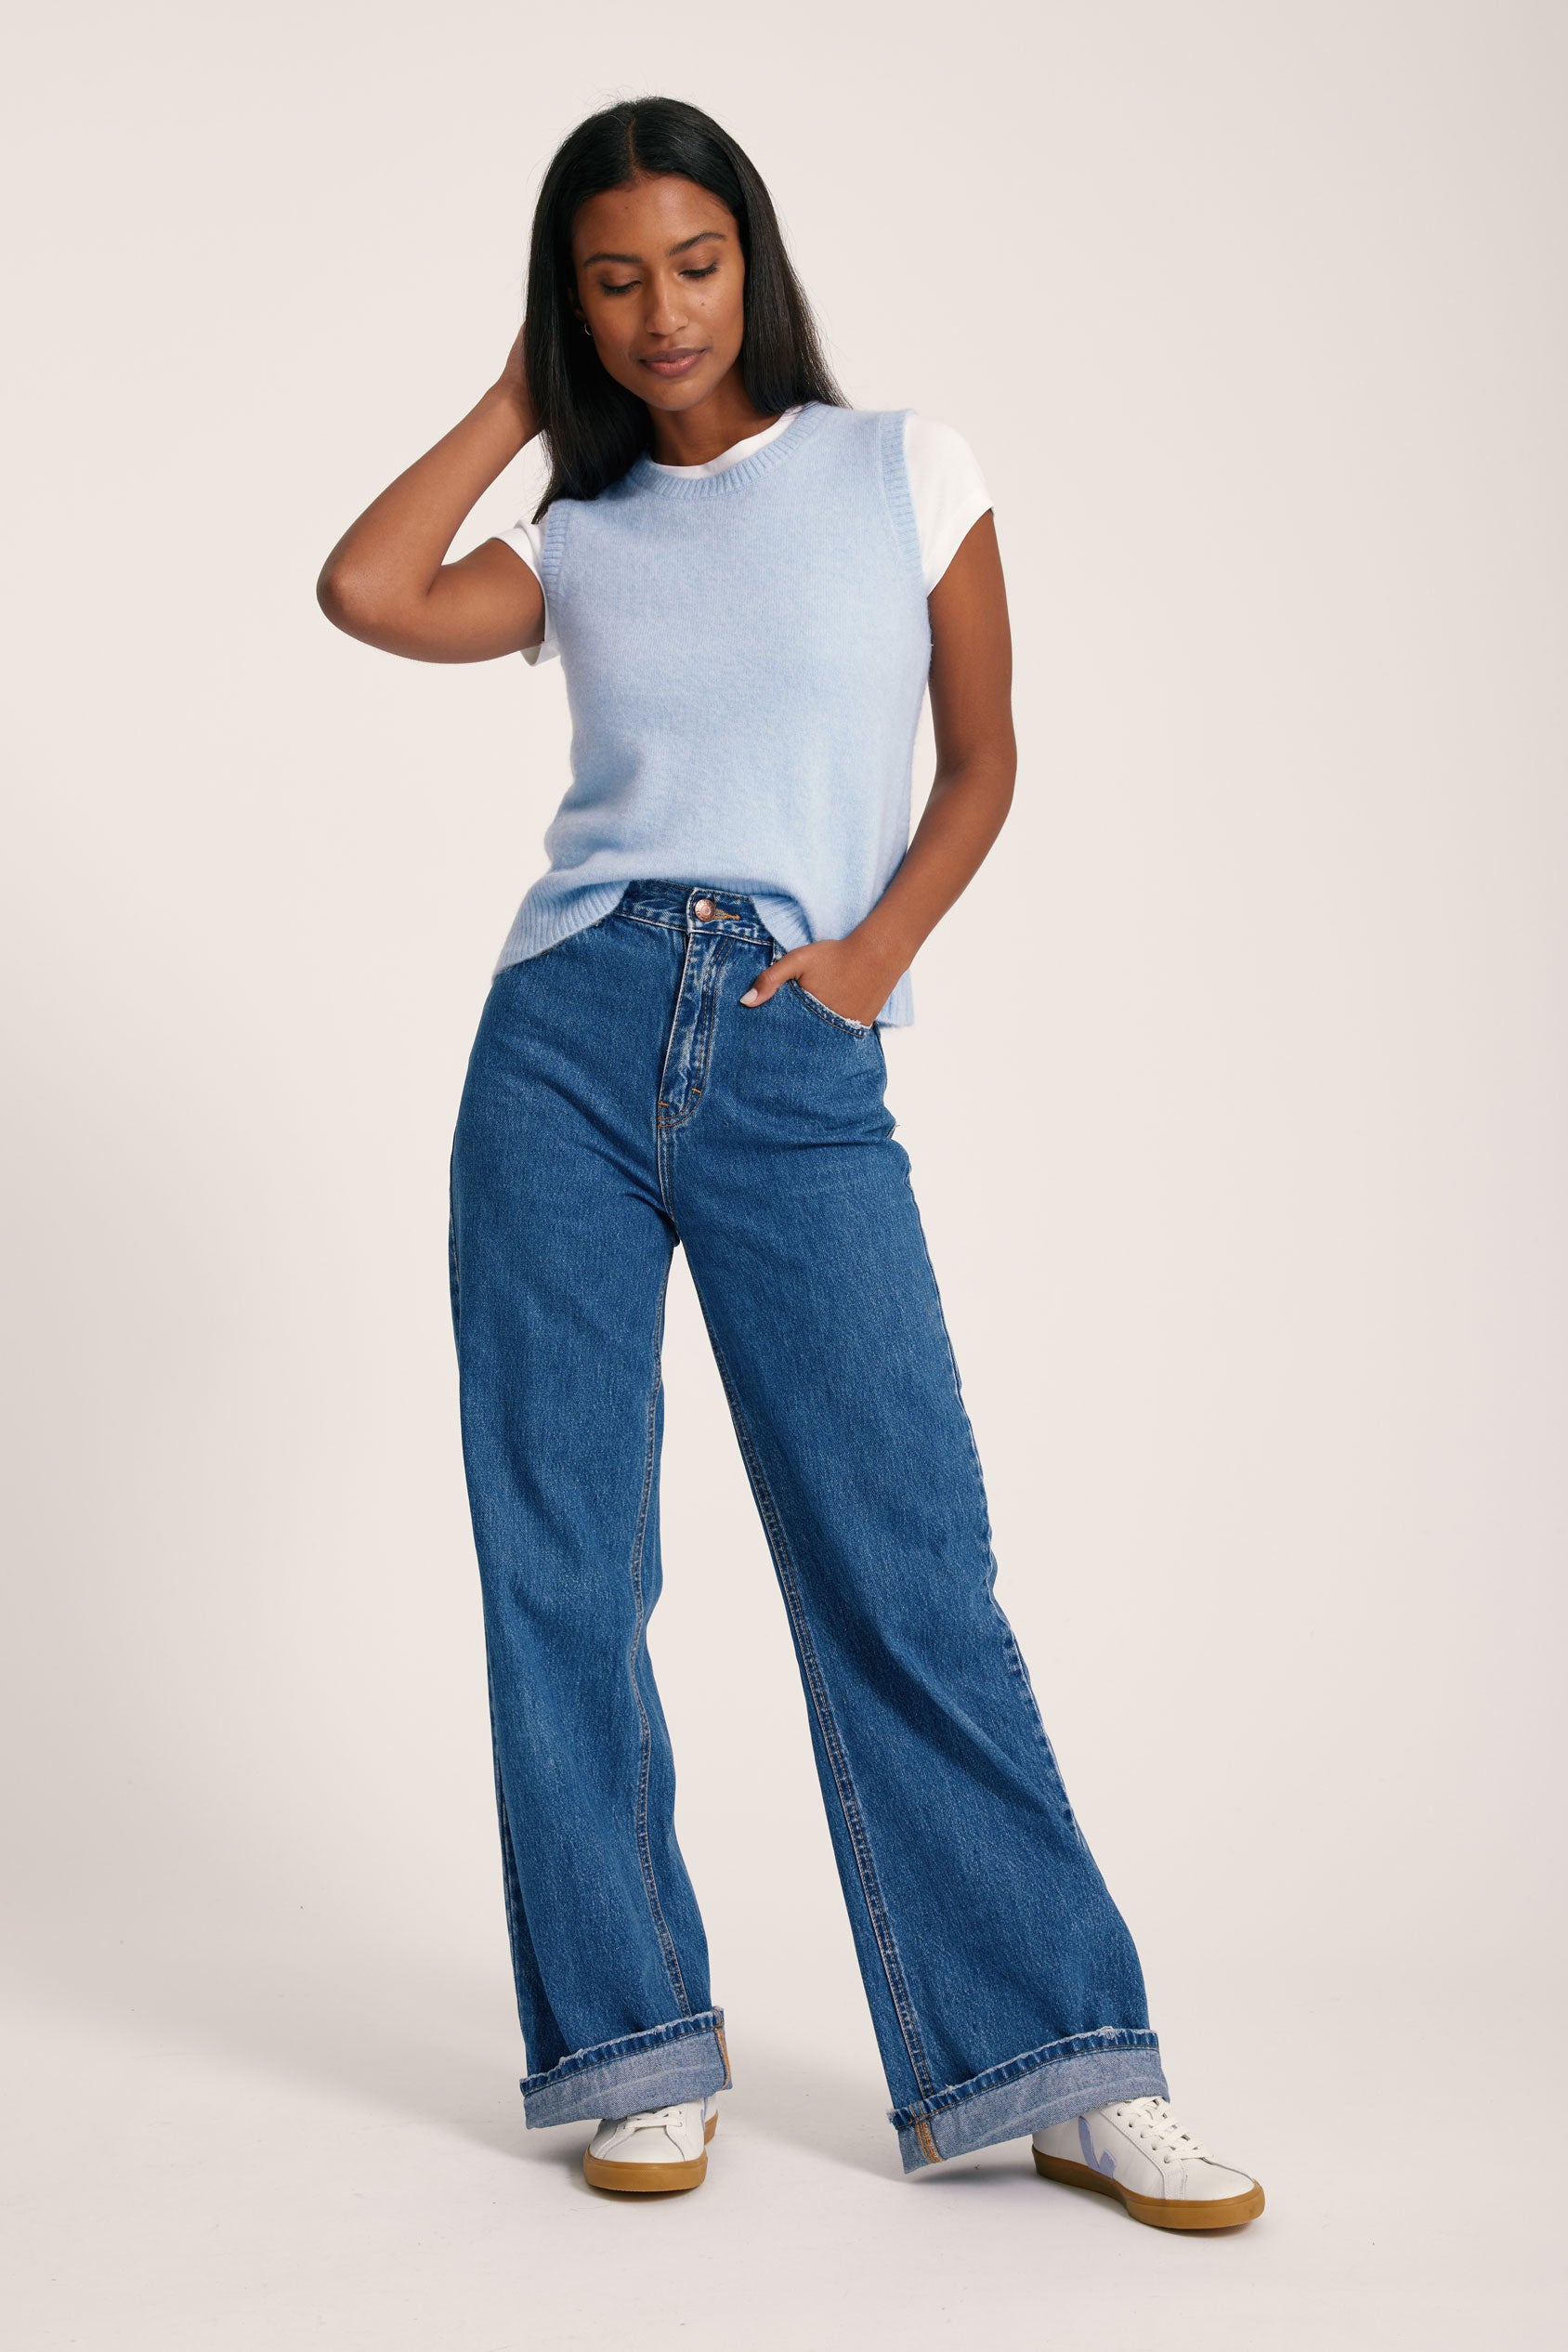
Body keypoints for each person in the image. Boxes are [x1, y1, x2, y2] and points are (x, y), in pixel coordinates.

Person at [316, 94, 1263, 2231]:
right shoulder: (578, 539)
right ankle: (629, 2047)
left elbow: (983, 754)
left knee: (903, 1557)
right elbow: (365, 587)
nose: (661, 311)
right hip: (561, 1041)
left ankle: (1058, 2062)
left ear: (751, 256)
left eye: (693, 261)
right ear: (570, 301)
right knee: (562, 1558)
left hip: (788, 1038)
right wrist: (514, 397)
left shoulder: (901, 466)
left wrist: (864, 968)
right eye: (610, 280)